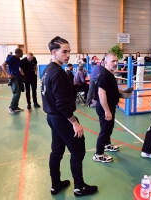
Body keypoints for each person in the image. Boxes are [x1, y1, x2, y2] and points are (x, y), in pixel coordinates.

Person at [41, 36, 97, 196]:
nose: (68, 55)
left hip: (52, 118)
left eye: (69, 51)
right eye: (64, 52)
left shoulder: (47, 70)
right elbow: (61, 104)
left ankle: (55, 184)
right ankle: (80, 187)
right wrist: (74, 122)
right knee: (78, 152)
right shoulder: (57, 73)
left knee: (57, 151)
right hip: (62, 118)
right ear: (54, 52)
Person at [93, 52, 120, 163]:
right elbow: (101, 94)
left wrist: (121, 92)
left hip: (109, 105)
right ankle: (98, 154)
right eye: (113, 61)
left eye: (116, 61)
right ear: (106, 62)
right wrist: (107, 111)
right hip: (105, 107)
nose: (115, 63)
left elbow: (109, 90)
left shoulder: (109, 74)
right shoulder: (105, 75)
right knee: (105, 130)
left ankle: (107, 144)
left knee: (109, 127)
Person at [1, 48, 24, 114]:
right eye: (22, 52)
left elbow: (19, 67)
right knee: (16, 92)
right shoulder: (12, 58)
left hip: (17, 76)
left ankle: (15, 107)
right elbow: (3, 64)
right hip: (13, 77)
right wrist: (7, 74)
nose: (22, 54)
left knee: (19, 92)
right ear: (18, 52)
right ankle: (11, 107)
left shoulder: (18, 59)